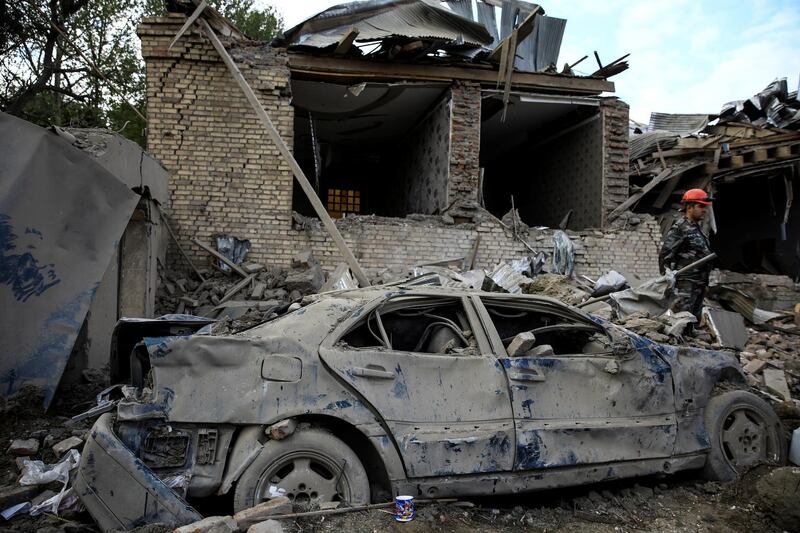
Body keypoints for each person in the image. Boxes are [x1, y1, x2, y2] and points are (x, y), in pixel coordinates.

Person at [658, 189, 714, 328]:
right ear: (689, 207)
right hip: (685, 285)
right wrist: (667, 275)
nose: (704, 210)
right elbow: (666, 252)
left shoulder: (696, 228)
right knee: (682, 322)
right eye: (701, 206)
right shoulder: (681, 227)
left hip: (698, 284)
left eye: (705, 207)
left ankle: (691, 346)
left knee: (693, 323)